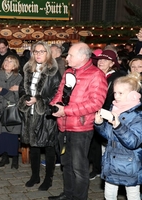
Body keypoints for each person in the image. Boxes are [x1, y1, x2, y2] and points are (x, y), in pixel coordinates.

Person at [48, 42, 108, 200]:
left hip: (81, 129)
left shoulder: (96, 75)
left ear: (82, 57)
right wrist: (54, 106)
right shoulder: (69, 71)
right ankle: (68, 194)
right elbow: (60, 93)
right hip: (64, 125)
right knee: (66, 164)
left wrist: (65, 111)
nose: (66, 57)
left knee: (79, 168)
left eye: (70, 55)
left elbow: (95, 104)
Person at [17, 41, 61, 191]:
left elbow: (57, 93)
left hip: (46, 114)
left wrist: (39, 99)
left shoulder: (53, 71)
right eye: (36, 51)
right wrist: (26, 98)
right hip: (30, 114)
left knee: (49, 147)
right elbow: (22, 89)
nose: (38, 54)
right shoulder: (28, 69)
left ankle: (48, 179)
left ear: (47, 53)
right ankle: (35, 175)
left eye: (42, 51)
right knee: (33, 146)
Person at [94, 73, 142, 200]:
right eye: (115, 93)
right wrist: (99, 124)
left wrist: (119, 126)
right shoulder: (115, 109)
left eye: (121, 93)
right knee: (109, 194)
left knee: (132, 194)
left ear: (133, 95)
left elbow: (133, 142)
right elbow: (108, 135)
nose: (116, 96)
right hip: (112, 162)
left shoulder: (138, 115)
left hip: (130, 164)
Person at [89, 50, 125, 180]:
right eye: (99, 59)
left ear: (112, 63)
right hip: (96, 113)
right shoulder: (96, 75)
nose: (101, 62)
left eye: (105, 60)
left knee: (106, 143)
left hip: (109, 114)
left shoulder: (117, 77)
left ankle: (106, 170)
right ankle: (97, 168)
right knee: (95, 142)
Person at [0, 55, 22, 169]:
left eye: (10, 61)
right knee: (1, 134)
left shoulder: (19, 78)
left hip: (12, 110)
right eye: (6, 60)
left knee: (12, 135)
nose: (7, 62)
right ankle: (4, 157)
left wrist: (2, 90)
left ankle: (15, 158)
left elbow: (16, 97)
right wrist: (6, 93)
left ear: (14, 66)